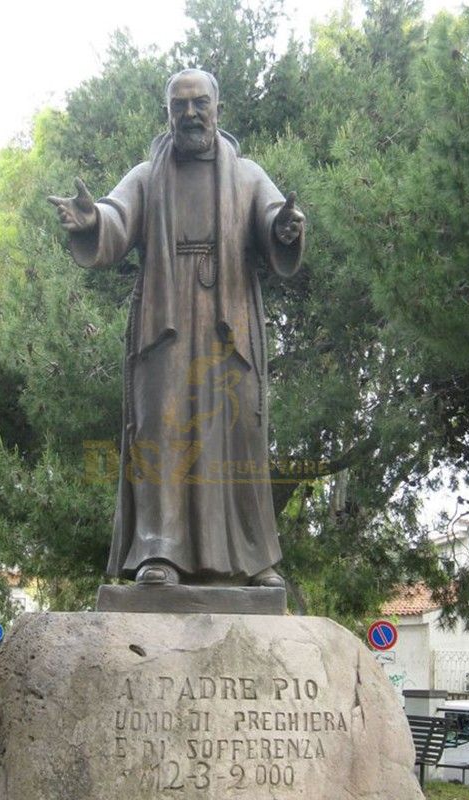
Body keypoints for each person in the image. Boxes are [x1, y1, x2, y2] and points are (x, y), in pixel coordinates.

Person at [49, 69, 305, 588]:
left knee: (238, 431)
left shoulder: (249, 174)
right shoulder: (147, 174)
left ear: (218, 107)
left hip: (228, 318)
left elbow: (274, 216)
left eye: (199, 103)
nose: (190, 114)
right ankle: (158, 554)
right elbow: (117, 216)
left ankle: (253, 560)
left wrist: (285, 228)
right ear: (167, 113)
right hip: (163, 320)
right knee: (160, 429)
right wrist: (93, 220)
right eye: (179, 105)